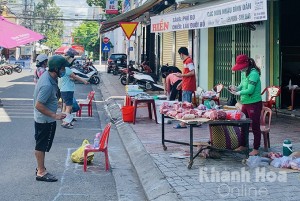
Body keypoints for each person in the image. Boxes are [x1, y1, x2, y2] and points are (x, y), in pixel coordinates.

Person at [33, 55, 68, 182]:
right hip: (45, 120)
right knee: (41, 145)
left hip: (44, 118)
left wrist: (56, 103)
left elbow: (47, 98)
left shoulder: (49, 77)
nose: (64, 71)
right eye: (63, 68)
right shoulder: (47, 84)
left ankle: (40, 168)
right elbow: (38, 105)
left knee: (41, 144)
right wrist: (55, 115)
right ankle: (41, 172)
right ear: (56, 69)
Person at [229, 54, 262, 156]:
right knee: (243, 124)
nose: (239, 70)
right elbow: (242, 86)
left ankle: (256, 148)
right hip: (245, 103)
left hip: (254, 103)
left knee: (255, 125)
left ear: (245, 64)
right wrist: (236, 88)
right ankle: (243, 145)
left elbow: (250, 90)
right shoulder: (244, 73)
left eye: (240, 67)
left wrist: (238, 93)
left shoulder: (253, 74)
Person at [60, 49, 89, 129]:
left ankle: (64, 120)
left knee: (65, 105)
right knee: (69, 107)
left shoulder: (62, 69)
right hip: (68, 90)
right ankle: (66, 122)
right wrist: (84, 81)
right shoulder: (68, 70)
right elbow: (75, 77)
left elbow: (69, 78)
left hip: (63, 89)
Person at [174, 47, 196, 129]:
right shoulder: (186, 62)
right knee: (187, 104)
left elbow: (192, 72)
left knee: (186, 105)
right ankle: (193, 121)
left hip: (188, 86)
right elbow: (187, 75)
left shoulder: (189, 61)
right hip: (186, 85)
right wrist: (181, 83)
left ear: (181, 54)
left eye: (180, 55)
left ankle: (184, 123)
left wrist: (181, 75)